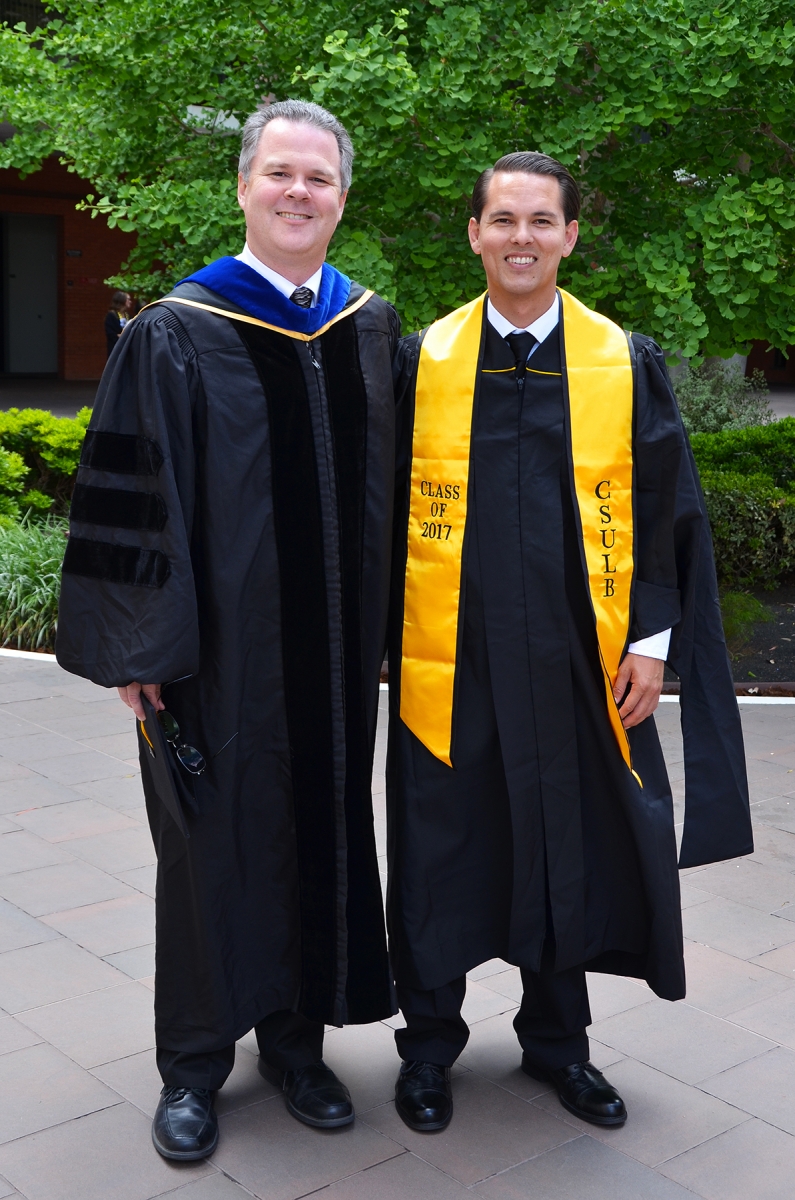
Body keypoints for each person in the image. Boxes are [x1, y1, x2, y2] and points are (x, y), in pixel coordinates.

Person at [56, 100, 399, 1161]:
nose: (300, 193)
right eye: (281, 173)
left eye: (320, 179)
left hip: (338, 660)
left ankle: (295, 1045)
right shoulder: (177, 330)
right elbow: (132, 494)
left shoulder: (368, 325)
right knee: (207, 850)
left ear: (343, 199)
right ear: (245, 186)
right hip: (213, 657)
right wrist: (139, 650)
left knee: (322, 829)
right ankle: (193, 1065)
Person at [386, 152, 752, 1133]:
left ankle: (558, 1046)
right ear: (473, 234)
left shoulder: (618, 361)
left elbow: (671, 515)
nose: (520, 238)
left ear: (571, 235)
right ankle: (427, 1052)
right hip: (447, 665)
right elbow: (376, 515)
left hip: (575, 661)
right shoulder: (423, 361)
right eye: (501, 219)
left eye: (541, 221)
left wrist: (652, 641)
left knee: (561, 841)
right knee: (441, 843)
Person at [104, 290, 132, 357]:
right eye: (128, 299)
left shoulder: (128, 315)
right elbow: (110, 334)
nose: (130, 302)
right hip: (115, 350)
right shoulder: (111, 315)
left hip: (127, 350)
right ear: (122, 300)